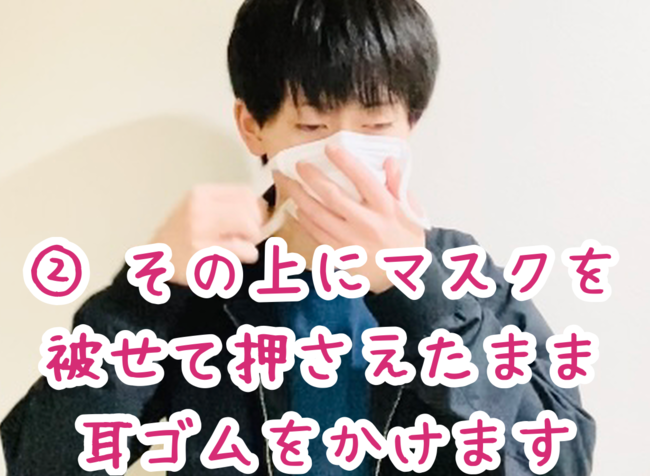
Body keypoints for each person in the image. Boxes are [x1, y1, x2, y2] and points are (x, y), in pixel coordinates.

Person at [1, 0, 595, 474]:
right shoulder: (201, 283)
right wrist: (143, 294)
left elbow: (561, 460)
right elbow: (41, 461)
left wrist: (418, 294)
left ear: (410, 125)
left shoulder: (460, 273)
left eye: (376, 124)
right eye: (312, 124)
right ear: (252, 127)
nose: (343, 153)